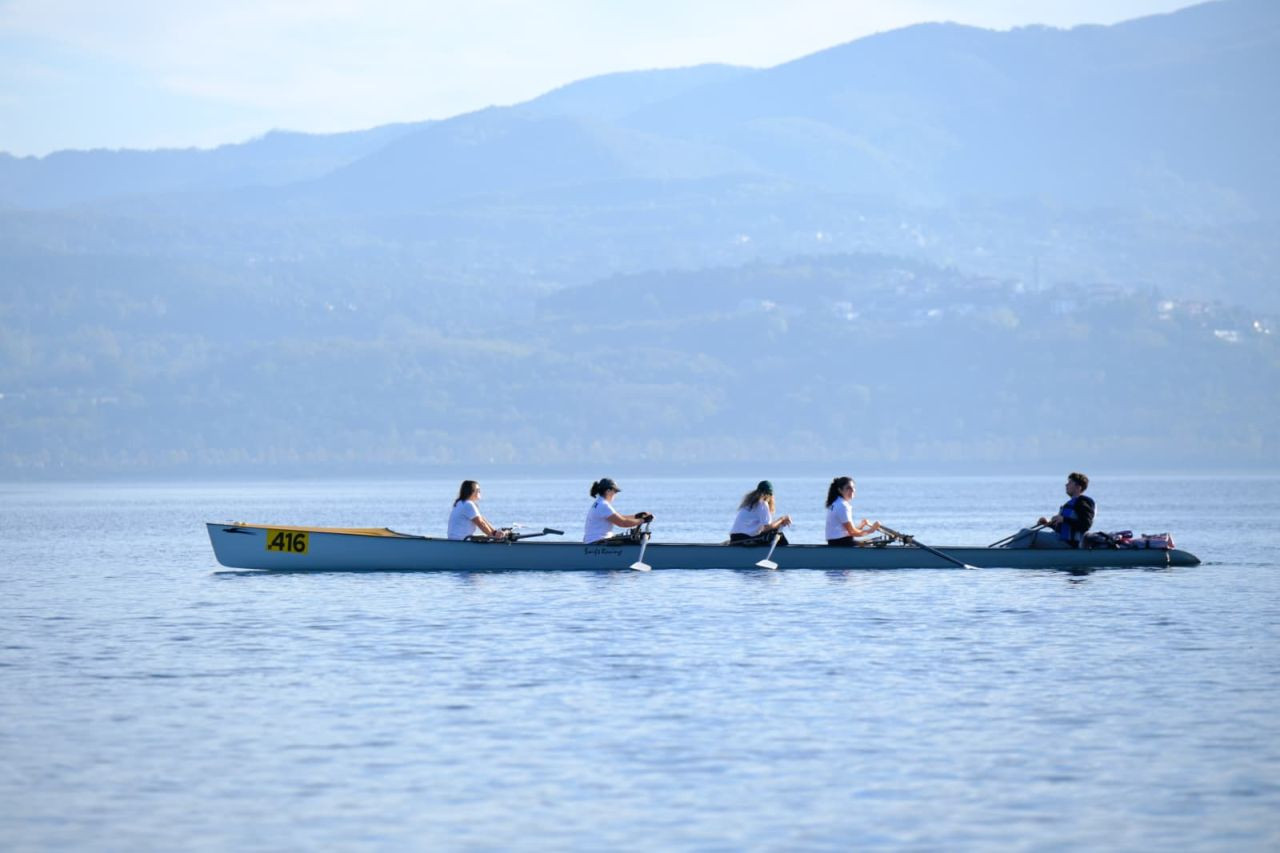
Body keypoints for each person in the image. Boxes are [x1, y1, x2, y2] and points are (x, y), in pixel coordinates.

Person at [1003, 472, 1096, 548]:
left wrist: (1064, 519)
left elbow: (1086, 525)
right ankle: (1007, 551)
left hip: (1069, 544)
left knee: (1028, 533)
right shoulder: (1071, 503)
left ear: (1078, 487)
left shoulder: (1083, 503)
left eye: (1070, 482)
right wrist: (1048, 524)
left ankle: (1005, 553)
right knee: (1026, 533)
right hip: (1062, 540)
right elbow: (1065, 529)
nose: (1066, 485)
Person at [583, 478, 653, 543]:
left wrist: (636, 516)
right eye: (615, 491)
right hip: (597, 543)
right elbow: (623, 523)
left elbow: (620, 517)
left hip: (595, 541)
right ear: (608, 491)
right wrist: (643, 520)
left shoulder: (599, 502)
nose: (615, 494)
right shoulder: (603, 505)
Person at [729, 480, 792, 545]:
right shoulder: (762, 503)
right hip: (745, 539)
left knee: (771, 534)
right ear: (770, 495)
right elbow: (766, 528)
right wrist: (782, 519)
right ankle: (789, 553)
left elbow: (766, 527)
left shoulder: (749, 503)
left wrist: (779, 523)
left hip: (735, 538)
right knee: (778, 535)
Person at [824, 476, 881, 546]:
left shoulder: (836, 503)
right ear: (840, 490)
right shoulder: (842, 505)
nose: (852, 490)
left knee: (872, 542)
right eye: (848, 488)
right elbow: (852, 532)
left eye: (853, 487)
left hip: (836, 542)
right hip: (841, 543)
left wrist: (861, 526)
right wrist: (871, 530)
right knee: (873, 544)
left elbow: (846, 530)